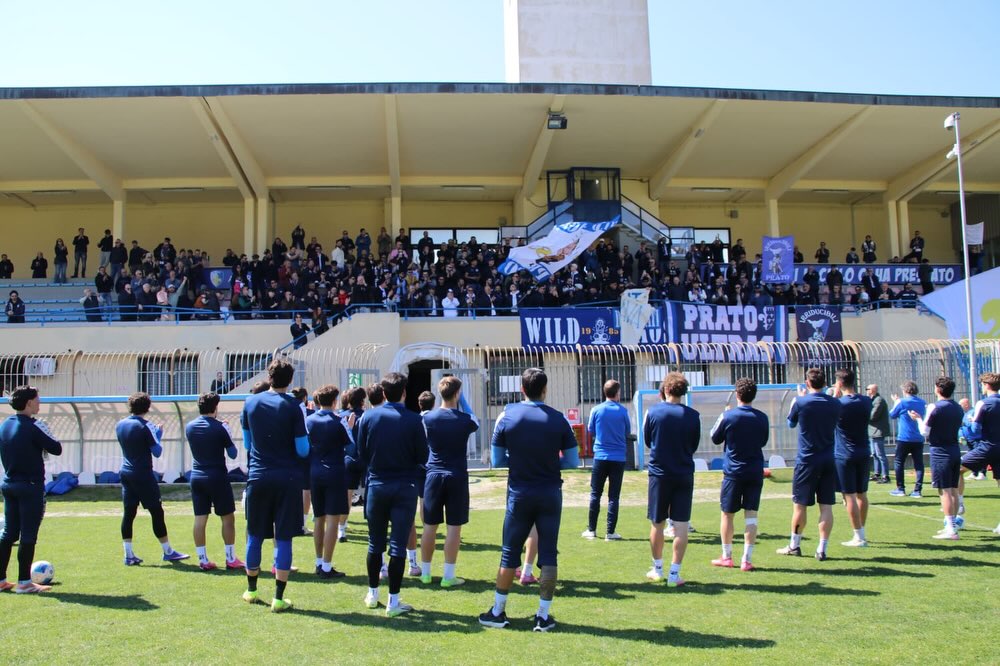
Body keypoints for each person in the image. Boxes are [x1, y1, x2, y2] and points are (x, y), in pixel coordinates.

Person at [479, 368, 579, 632]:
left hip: (519, 493)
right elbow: (571, 461)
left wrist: (522, 461)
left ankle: (498, 611)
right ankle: (543, 616)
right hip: (549, 493)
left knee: (509, 552)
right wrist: (547, 461)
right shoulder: (559, 420)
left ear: (521, 389)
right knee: (548, 555)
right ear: (545, 390)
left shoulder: (507, 415)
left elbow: (498, 460)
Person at [240, 359, 310, 612]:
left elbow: (247, 445)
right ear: (290, 380)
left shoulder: (250, 403)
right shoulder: (293, 407)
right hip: (287, 477)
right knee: (284, 537)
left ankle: (251, 590)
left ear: (269, 376)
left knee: (255, 534)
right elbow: (302, 450)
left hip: (258, 475)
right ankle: (279, 598)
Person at [356, 372, 428, 617]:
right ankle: (393, 601)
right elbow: (423, 457)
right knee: (397, 545)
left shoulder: (368, 417)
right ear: (404, 393)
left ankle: (372, 593)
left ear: (384, 393)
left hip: (377, 484)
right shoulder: (414, 420)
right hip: (404, 486)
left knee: (375, 542)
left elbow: (361, 454)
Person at [0, 386, 62, 593]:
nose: (39, 403)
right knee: (28, 535)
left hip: (9, 484)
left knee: (8, 533)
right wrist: (46, 430)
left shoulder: (4, 425)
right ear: (28, 403)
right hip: (30, 486)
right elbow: (56, 448)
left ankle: (1, 580)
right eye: (37, 400)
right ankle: (24, 582)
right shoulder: (35, 425)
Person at [419, 376, 479, 587]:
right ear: (457, 393)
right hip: (457, 476)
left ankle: (425, 573)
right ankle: (448, 575)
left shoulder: (428, 417)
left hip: (433, 475)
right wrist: (461, 400)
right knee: (454, 528)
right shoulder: (465, 420)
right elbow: (474, 419)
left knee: (429, 526)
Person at [117, 392, 189, 566]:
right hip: (142, 474)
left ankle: (128, 554)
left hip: (126, 473)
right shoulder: (146, 425)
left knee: (129, 513)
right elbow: (157, 451)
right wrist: (158, 434)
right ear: (147, 408)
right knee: (157, 512)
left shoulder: (120, 424)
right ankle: (168, 551)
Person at [777, 368, 842, 561]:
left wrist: (799, 399)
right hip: (828, 459)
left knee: (800, 505)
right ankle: (822, 549)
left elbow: (791, 424)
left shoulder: (801, 401)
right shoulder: (835, 403)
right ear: (824, 383)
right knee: (826, 506)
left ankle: (794, 545)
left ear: (807, 383)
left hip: (807, 460)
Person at [643, 372, 700, 586]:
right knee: (681, 525)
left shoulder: (654, 412)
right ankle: (674, 574)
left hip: (659, 474)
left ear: (665, 389)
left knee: (657, 523)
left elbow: (648, 440)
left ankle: (658, 569)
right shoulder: (693, 415)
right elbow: (693, 445)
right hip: (684, 473)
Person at [709, 378, 768, 571]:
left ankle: (727, 556)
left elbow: (715, 437)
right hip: (754, 470)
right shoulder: (762, 417)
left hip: (734, 472)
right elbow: (763, 441)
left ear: (737, 394)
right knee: (751, 515)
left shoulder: (729, 416)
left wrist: (723, 415)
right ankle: (747, 559)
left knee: (727, 514)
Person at [185, 392, 243, 571]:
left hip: (197, 476)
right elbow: (233, 454)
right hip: (217, 476)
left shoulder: (190, 426)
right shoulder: (219, 428)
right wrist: (228, 433)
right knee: (227, 518)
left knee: (200, 518)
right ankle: (231, 558)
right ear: (215, 408)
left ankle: (202, 559)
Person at [908, 376, 964, 540]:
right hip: (955, 450)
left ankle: (951, 529)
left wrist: (918, 419)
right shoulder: (958, 407)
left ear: (938, 389)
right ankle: (951, 526)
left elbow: (924, 431)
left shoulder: (935, 406)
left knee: (944, 491)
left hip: (940, 451)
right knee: (953, 490)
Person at [306, 384, 352, 579]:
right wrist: (349, 428)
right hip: (334, 471)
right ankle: (326, 565)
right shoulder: (339, 421)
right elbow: (352, 449)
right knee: (332, 519)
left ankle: (318, 561)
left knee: (319, 518)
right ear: (334, 402)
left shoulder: (308, 421)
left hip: (315, 472)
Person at [582, 379, 630, 541]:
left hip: (600, 456)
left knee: (595, 493)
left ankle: (591, 529)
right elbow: (627, 431)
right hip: (618, 457)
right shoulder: (623, 411)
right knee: (613, 496)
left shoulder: (596, 409)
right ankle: (610, 532)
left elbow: (591, 430)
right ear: (617, 393)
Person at [832, 369, 873, 547]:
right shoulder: (866, 401)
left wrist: (834, 395)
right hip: (864, 451)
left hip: (844, 454)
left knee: (849, 496)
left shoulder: (839, 404)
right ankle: (861, 531)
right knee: (861, 494)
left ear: (839, 383)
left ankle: (858, 536)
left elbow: (829, 416)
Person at [959, 373, 1000, 533]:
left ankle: (959, 504)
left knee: (956, 469)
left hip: (987, 446)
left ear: (986, 385)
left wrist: (969, 423)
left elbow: (975, 430)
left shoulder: (983, 403)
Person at [889, 381, 927, 498]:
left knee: (899, 462)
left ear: (905, 391)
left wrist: (896, 402)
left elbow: (892, 414)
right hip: (918, 438)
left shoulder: (901, 402)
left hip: (904, 437)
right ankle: (917, 490)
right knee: (919, 464)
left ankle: (901, 488)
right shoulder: (922, 402)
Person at [866, 384, 891, 484]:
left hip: (878, 431)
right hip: (873, 431)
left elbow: (873, 416)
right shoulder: (873, 400)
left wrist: (863, 414)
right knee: (875, 454)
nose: (866, 391)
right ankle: (877, 473)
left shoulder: (879, 400)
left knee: (880, 454)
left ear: (872, 390)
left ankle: (886, 476)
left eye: (868, 389)